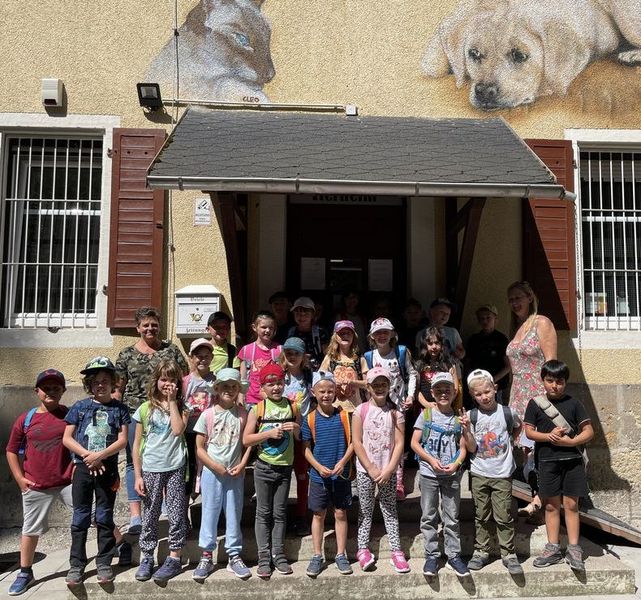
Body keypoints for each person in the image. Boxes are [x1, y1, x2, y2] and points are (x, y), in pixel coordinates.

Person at [115, 306, 189, 534]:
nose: (150, 328)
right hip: (134, 412)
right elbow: (119, 388)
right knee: (133, 460)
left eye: (154, 324)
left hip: (167, 413)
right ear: (137, 328)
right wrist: (117, 415)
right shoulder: (126, 354)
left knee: (167, 459)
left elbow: (185, 378)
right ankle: (136, 514)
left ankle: (166, 505)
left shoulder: (172, 350)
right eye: (145, 325)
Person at [62, 357, 130, 586]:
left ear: (113, 383)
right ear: (89, 384)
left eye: (105, 381)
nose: (100, 385)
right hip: (83, 468)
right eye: (96, 381)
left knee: (103, 516)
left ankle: (104, 562)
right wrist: (87, 456)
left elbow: (122, 440)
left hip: (107, 468)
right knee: (80, 516)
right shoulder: (80, 407)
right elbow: (67, 438)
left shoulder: (119, 408)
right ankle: (76, 565)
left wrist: (99, 456)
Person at [6, 369, 73, 596]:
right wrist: (19, 478)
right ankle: (25, 572)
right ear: (37, 391)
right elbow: (11, 450)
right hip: (35, 484)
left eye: (56, 388)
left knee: (92, 514)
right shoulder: (26, 419)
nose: (51, 392)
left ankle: (118, 545)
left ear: (63, 391)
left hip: (68, 482)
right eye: (46, 388)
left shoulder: (71, 415)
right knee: (30, 529)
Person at [524, 360, 594, 572]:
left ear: (565, 382)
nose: (555, 385)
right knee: (551, 505)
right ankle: (553, 548)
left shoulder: (574, 404)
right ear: (543, 380)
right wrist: (548, 436)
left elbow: (588, 431)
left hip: (572, 463)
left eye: (560, 381)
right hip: (546, 463)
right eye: (550, 380)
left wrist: (572, 442)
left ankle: (574, 548)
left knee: (571, 505)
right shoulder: (535, 404)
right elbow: (529, 432)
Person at [502, 281, 557, 517]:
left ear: (530, 297)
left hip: (537, 393)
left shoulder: (541, 323)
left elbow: (552, 364)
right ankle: (537, 495)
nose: (514, 303)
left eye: (518, 298)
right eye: (511, 299)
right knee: (525, 449)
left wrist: (550, 397)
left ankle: (538, 502)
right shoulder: (517, 327)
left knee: (538, 448)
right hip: (518, 394)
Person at [192, 368, 252, 581]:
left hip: (235, 473)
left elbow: (247, 444)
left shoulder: (243, 414)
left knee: (234, 512)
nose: (229, 390)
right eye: (225, 386)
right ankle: (206, 554)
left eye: (233, 386)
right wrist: (214, 465)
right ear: (217, 388)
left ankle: (234, 555)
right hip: (212, 473)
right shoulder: (208, 415)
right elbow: (199, 447)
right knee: (210, 511)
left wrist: (243, 464)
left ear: (238, 390)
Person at [133, 359, 190, 583]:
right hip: (150, 467)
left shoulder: (183, 407)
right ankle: (147, 556)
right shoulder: (145, 409)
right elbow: (136, 445)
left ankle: (174, 558)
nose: (167, 383)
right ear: (156, 381)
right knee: (151, 513)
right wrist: (137, 475)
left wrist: (172, 401)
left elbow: (177, 430)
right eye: (163, 379)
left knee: (176, 514)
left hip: (175, 467)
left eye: (172, 379)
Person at [462, 369, 523, 575]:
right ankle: (481, 551)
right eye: (478, 394)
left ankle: (508, 553)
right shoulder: (471, 416)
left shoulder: (507, 412)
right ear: (472, 396)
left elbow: (517, 427)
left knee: (504, 514)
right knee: (481, 514)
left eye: (487, 391)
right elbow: (470, 448)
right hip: (479, 472)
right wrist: (466, 431)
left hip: (502, 473)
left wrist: (512, 442)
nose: (484, 397)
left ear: (495, 389)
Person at [243, 363, 301, 578]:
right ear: (263, 388)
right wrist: (268, 434)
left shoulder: (293, 407)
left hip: (285, 467)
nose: (275, 388)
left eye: (278, 383)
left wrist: (296, 429)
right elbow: (247, 440)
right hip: (264, 466)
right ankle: (263, 557)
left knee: (279, 513)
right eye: (270, 384)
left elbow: (300, 438)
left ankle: (279, 554)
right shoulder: (258, 409)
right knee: (263, 512)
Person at [411, 372, 469, 578]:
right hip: (428, 474)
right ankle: (432, 555)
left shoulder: (457, 419)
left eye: (447, 390)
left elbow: (463, 448)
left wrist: (457, 464)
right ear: (433, 393)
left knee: (451, 516)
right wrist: (430, 459)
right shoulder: (426, 415)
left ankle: (454, 555)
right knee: (429, 515)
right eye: (439, 390)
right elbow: (414, 443)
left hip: (451, 475)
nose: (443, 393)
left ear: (454, 393)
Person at [352, 366, 409, 574]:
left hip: (388, 471)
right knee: (365, 512)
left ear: (389, 386)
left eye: (383, 384)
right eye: (375, 384)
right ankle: (362, 549)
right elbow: (357, 442)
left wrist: (390, 469)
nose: (379, 388)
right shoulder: (360, 411)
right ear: (368, 387)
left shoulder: (395, 413)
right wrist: (371, 468)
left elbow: (400, 442)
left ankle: (396, 551)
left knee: (390, 510)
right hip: (366, 471)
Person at [301, 371, 354, 578]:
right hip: (318, 476)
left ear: (336, 392)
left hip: (340, 475)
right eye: (322, 391)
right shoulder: (310, 419)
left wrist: (343, 462)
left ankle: (341, 554)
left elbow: (352, 443)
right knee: (318, 514)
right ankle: (316, 555)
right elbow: (305, 448)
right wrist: (317, 466)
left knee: (340, 513)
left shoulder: (344, 416)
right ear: (313, 392)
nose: (326, 395)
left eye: (330, 391)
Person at [364, 317, 417, 500]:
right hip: (378, 406)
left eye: (385, 332)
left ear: (392, 334)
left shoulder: (401, 352)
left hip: (399, 405)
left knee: (398, 442)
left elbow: (411, 374)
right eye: (378, 333)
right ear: (372, 336)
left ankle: (398, 481)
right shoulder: (369, 356)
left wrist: (410, 395)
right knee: (380, 440)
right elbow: (367, 382)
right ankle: (379, 477)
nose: (382, 336)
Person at [280, 336, 314, 536]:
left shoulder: (309, 377)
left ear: (303, 356)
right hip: (281, 434)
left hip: (302, 434)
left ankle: (301, 515)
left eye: (297, 353)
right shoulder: (279, 376)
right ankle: (280, 517)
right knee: (282, 477)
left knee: (302, 476)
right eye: (289, 353)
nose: (292, 357)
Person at [182, 338, 217, 503]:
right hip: (189, 429)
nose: (202, 359)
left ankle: (205, 492)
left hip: (207, 431)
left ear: (211, 358)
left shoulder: (215, 380)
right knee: (190, 464)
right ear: (191, 358)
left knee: (205, 462)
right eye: (199, 356)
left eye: (206, 356)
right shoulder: (186, 381)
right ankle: (189, 495)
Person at [464, 304, 510, 405]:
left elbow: (508, 366)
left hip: (496, 386)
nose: (485, 321)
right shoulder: (474, 339)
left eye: (488, 317)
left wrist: (492, 380)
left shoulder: (501, 339)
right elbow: (468, 363)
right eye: (482, 318)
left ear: (495, 319)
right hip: (477, 385)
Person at [319, 320, 368, 413]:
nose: (345, 336)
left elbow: (367, 384)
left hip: (356, 409)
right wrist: (333, 383)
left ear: (354, 337)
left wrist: (353, 382)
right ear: (335, 337)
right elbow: (320, 379)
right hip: (334, 408)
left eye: (349, 333)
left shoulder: (359, 359)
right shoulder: (330, 358)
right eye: (341, 333)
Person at [238, 310, 282, 406]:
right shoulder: (246, 350)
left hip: (273, 401)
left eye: (271, 328)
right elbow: (242, 379)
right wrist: (240, 400)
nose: (267, 330)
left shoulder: (279, 350)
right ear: (254, 327)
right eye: (263, 327)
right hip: (251, 401)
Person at [416, 326, 462, 412]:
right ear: (425, 345)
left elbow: (455, 389)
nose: (434, 346)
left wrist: (445, 404)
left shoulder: (449, 364)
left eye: (437, 343)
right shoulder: (420, 364)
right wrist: (426, 404)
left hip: (445, 408)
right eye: (430, 344)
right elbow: (416, 390)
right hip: (425, 409)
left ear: (442, 344)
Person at [288, 296, 329, 371]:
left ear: (313, 315)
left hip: (318, 371)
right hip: (297, 370)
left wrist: (322, 371)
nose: (302, 317)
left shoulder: (320, 331)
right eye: (298, 313)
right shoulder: (292, 331)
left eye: (306, 313)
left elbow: (328, 355)